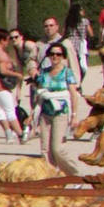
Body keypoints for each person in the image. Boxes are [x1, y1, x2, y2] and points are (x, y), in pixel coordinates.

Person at [34, 41, 83, 173]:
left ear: (63, 56)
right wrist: (33, 114)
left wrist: (74, 116)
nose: (55, 57)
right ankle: (50, 176)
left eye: (58, 54)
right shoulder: (43, 73)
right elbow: (39, 94)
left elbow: (73, 94)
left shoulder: (67, 73)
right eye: (52, 54)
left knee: (57, 148)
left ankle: (73, 173)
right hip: (45, 113)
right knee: (45, 149)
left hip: (61, 113)